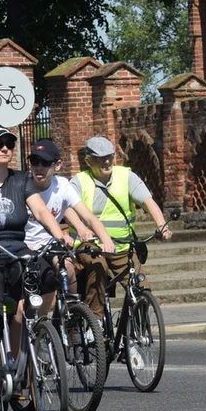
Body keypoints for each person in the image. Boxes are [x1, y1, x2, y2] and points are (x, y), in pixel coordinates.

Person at [0, 125, 74, 411]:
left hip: (16, 251)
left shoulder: (22, 180)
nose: (4, 149)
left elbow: (41, 212)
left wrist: (57, 233)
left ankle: (35, 336)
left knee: (47, 278)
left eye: (9, 144)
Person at [71, 136, 171, 321]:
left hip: (122, 246)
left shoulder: (126, 176)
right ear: (88, 161)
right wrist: (82, 232)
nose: (106, 161)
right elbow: (69, 210)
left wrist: (161, 226)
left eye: (109, 156)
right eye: (100, 158)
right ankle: (96, 323)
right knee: (98, 268)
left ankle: (135, 335)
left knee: (141, 287)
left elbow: (148, 202)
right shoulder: (79, 182)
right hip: (91, 246)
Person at [22, 138, 115, 316]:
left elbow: (89, 217)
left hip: (49, 244)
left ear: (57, 165)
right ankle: (37, 323)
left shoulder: (62, 186)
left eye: (45, 162)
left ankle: (71, 315)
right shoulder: (22, 185)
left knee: (68, 269)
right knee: (40, 285)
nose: (38, 167)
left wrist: (106, 242)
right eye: (34, 162)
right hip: (25, 245)